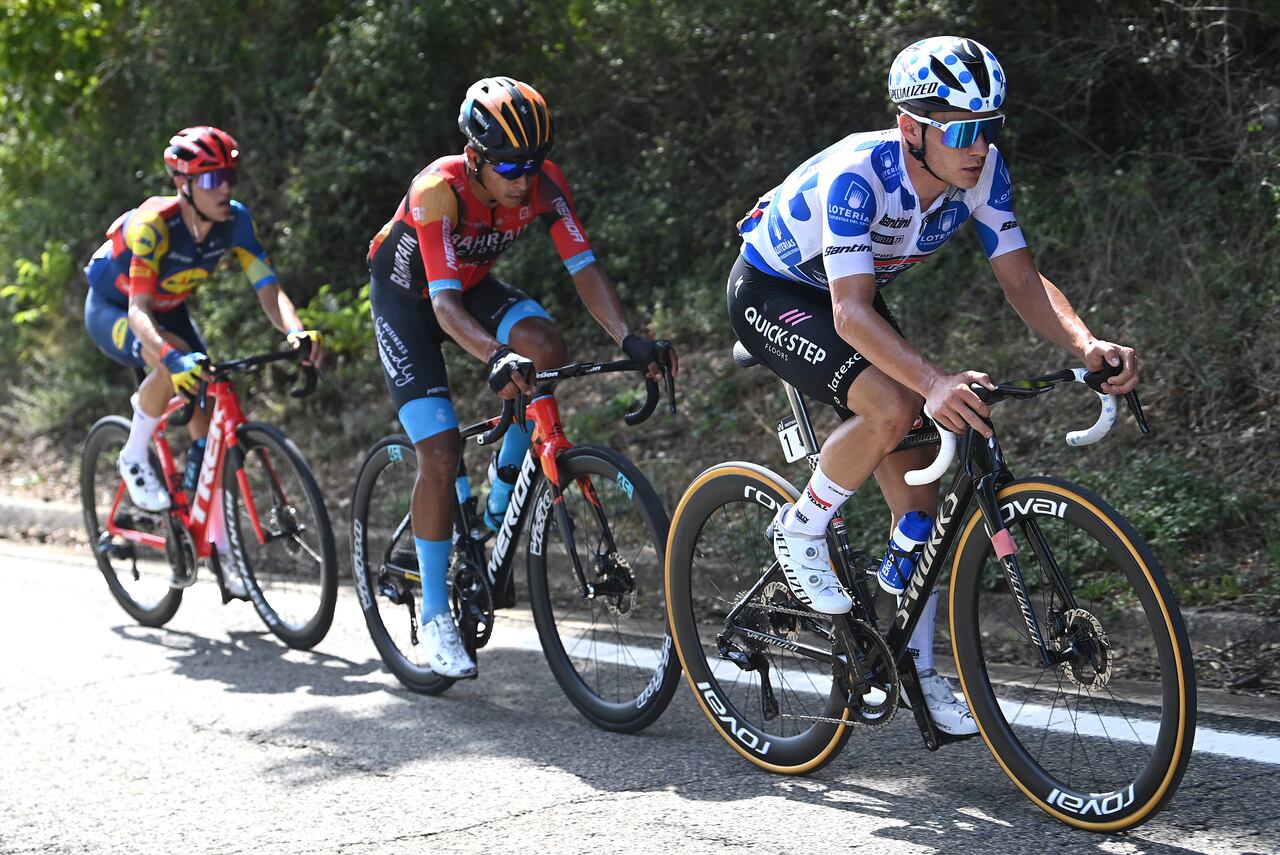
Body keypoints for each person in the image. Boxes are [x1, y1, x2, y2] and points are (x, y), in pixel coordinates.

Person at [728, 36, 1137, 735]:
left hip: (848, 293)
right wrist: (933, 380)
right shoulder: (861, 176)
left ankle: (913, 666)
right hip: (775, 290)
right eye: (965, 130)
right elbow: (850, 313)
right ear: (911, 128)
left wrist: (1085, 342)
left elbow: (1022, 279)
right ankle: (801, 527)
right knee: (894, 404)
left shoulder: (982, 172)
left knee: (917, 497)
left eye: (992, 127)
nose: (981, 145)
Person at [366, 76, 676, 678]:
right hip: (411, 303)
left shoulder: (542, 182)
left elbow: (583, 267)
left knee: (543, 346)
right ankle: (434, 616)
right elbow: (442, 307)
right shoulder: (438, 191)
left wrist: (628, 337)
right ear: (475, 158)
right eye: (509, 166)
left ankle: (503, 485)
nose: (522, 178)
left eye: (531, 164)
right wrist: (491, 355)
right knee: (439, 449)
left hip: (471, 290)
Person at [84, 126, 323, 594]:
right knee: (170, 365)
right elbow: (139, 312)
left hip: (169, 310)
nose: (225, 188)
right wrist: (172, 359)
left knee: (207, 432)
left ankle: (221, 552)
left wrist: (295, 331)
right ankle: (132, 456)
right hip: (116, 309)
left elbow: (268, 290)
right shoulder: (155, 224)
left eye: (229, 175)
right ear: (183, 184)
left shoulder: (234, 221)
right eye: (212, 180)